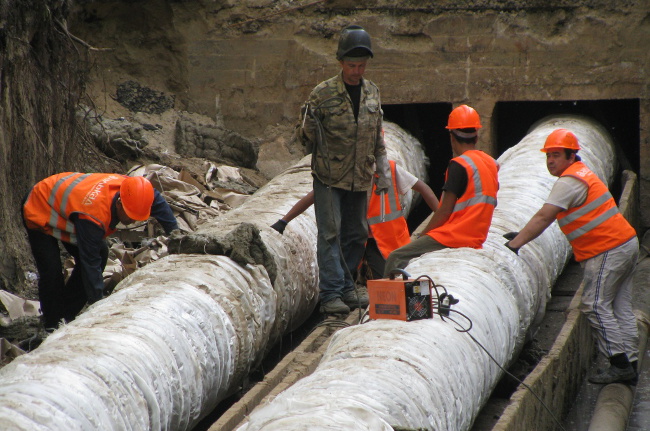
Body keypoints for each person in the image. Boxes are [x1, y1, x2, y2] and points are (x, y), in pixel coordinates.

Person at [503, 129, 639, 385]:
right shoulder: (582, 173)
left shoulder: (569, 181)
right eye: (548, 156)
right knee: (620, 307)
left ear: (570, 155)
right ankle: (631, 362)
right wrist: (522, 232)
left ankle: (619, 365)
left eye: (556, 155)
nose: (550, 161)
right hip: (625, 243)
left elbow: (545, 216)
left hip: (607, 249)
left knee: (594, 304)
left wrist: (516, 244)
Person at [296, 24, 391, 315]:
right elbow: (303, 140)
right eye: (352, 65)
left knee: (356, 233)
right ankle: (331, 294)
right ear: (340, 63)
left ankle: (349, 286)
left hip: (359, 178)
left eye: (362, 65)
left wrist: (383, 172)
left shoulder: (372, 93)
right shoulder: (322, 95)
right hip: (329, 177)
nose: (357, 71)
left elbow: (378, 138)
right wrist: (309, 126)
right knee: (330, 234)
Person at [22, 173, 179, 329]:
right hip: (39, 205)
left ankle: (67, 314)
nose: (133, 221)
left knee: (101, 253)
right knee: (51, 270)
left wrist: (176, 236)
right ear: (119, 203)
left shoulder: (131, 188)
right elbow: (90, 262)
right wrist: (98, 305)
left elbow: (155, 199)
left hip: (68, 204)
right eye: (130, 215)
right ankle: (51, 323)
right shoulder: (94, 215)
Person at [271, 160, 439, 281]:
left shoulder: (390, 169)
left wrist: (442, 217)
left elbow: (423, 188)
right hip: (355, 240)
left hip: (384, 243)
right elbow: (314, 195)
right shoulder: (344, 175)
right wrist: (284, 220)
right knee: (343, 277)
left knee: (386, 281)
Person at [383, 105, 499, 276]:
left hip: (457, 235)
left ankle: (387, 301)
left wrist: (423, 235)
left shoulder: (459, 164)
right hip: (478, 235)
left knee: (396, 256)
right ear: (476, 135)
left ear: (452, 136)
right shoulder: (491, 163)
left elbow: (444, 211)